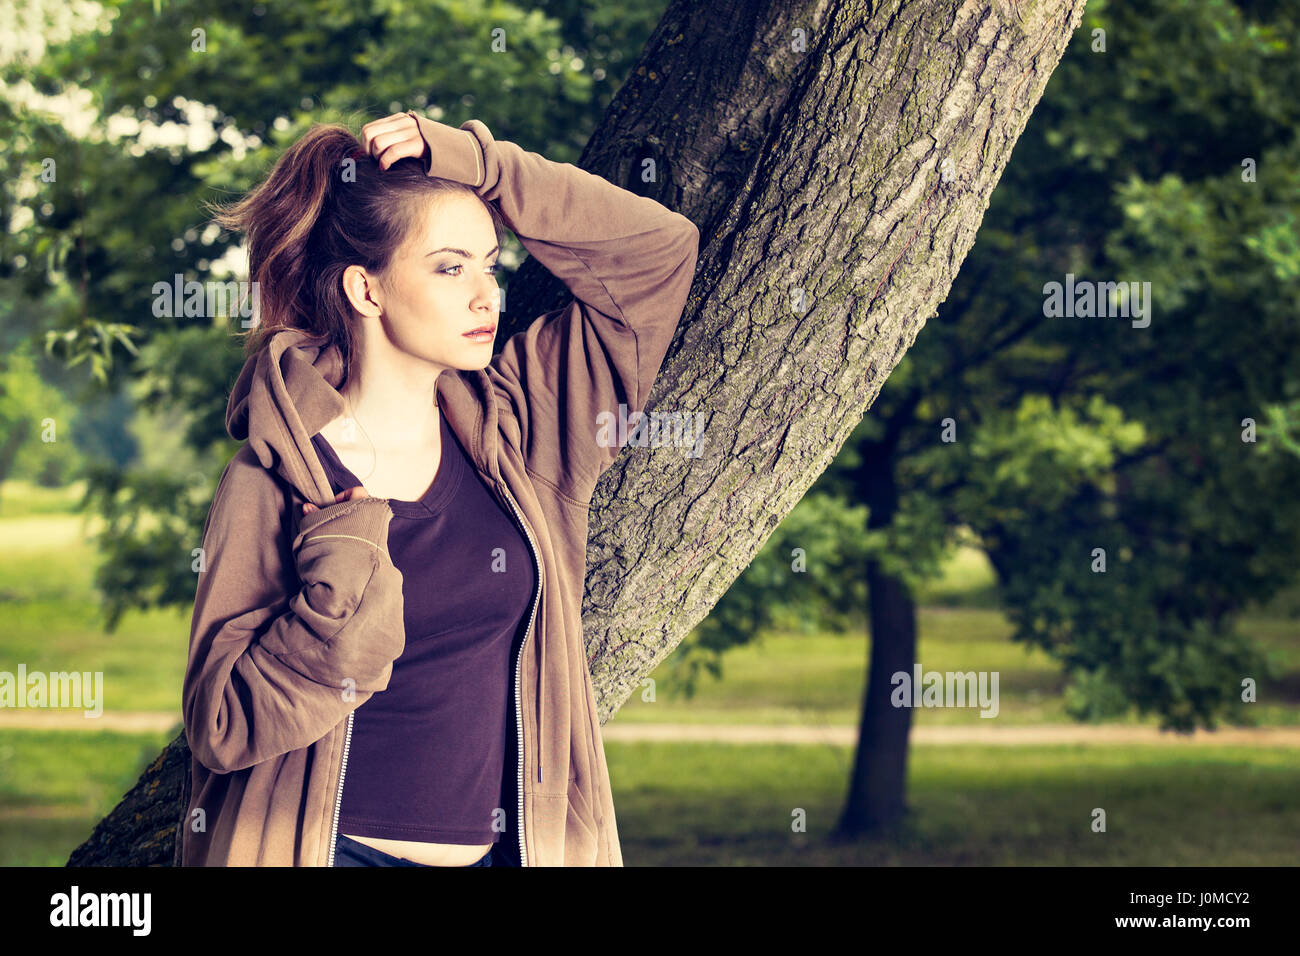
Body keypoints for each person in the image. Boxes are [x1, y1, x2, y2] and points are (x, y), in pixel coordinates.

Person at [174, 110, 699, 866]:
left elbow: (659, 252)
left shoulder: (522, 429)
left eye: (490, 264)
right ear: (366, 288)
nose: (487, 295)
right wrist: (343, 581)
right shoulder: (272, 475)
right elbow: (223, 723)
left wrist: (480, 164)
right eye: (450, 268)